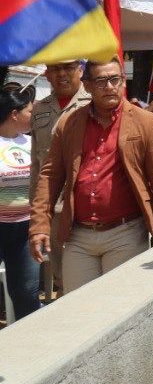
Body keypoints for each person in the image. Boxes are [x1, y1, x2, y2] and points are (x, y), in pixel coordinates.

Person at [29, 58, 153, 293]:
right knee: (77, 309)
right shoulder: (68, 123)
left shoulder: (146, 122)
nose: (109, 87)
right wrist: (40, 224)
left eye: (115, 79)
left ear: (122, 81)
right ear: (86, 85)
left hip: (126, 232)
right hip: (77, 234)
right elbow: (49, 176)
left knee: (120, 308)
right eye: (101, 81)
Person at [29, 60, 90, 294]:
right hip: (53, 210)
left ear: (80, 70)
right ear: (46, 73)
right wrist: (36, 211)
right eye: (55, 68)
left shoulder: (94, 103)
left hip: (85, 207)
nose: (62, 73)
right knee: (62, 277)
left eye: (68, 67)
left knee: (90, 279)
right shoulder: (39, 109)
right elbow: (37, 164)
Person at [1, 80, 40, 320]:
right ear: (15, 114)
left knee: (26, 292)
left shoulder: (32, 142)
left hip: (26, 228)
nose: (33, 115)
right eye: (30, 111)